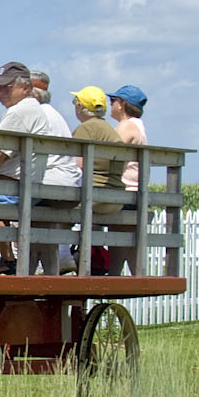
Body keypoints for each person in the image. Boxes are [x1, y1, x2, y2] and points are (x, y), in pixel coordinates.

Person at [0, 61, 57, 274]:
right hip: (24, 185)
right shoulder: (32, 109)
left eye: (7, 87)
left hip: (13, 188)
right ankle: (5, 258)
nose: (2, 92)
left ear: (25, 88)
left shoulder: (18, 112)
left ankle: (2, 258)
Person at [69, 86, 124, 274]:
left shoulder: (86, 129)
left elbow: (77, 165)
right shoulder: (109, 129)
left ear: (80, 107)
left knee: (49, 207)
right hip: (116, 196)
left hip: (94, 197)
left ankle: (59, 258)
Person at [109, 84, 149, 192]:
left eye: (113, 101)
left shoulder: (127, 126)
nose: (110, 104)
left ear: (121, 104)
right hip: (136, 192)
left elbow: (108, 154)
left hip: (126, 192)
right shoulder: (137, 125)